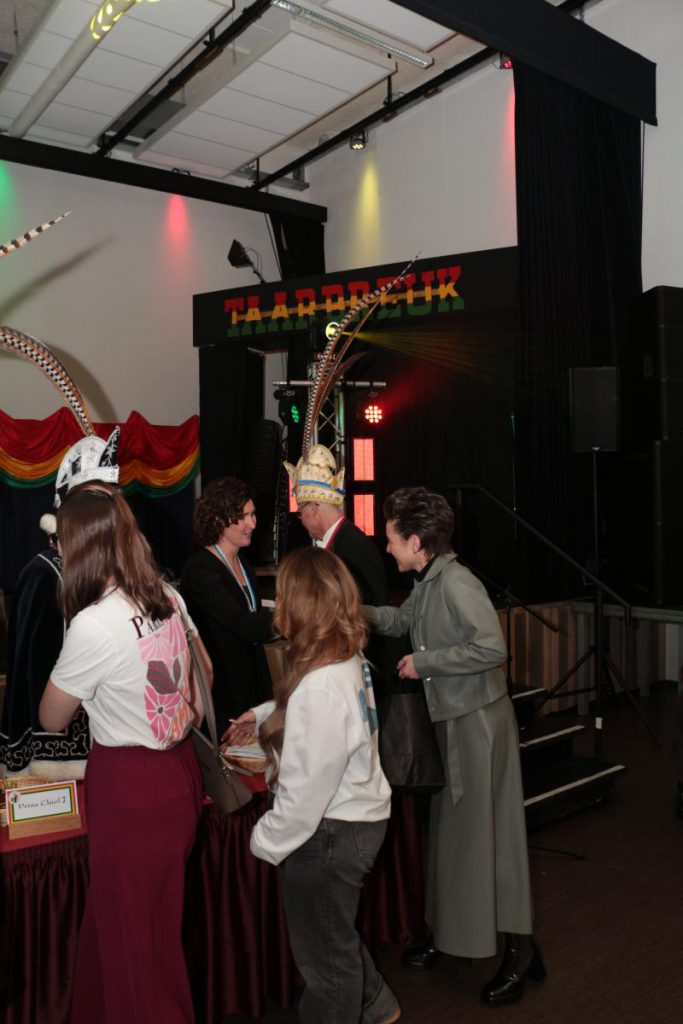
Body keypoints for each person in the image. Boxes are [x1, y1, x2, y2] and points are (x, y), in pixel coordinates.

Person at [363, 486, 544, 1008]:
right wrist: (348, 608)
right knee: (454, 841)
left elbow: (492, 648)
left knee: (491, 839)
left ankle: (520, 950)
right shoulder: (430, 579)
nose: (387, 548)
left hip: (480, 727)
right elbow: (399, 622)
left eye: (392, 538)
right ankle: (452, 936)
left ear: (416, 542)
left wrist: (426, 663)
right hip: (455, 722)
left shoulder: (458, 583)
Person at [39, 483, 208, 1024]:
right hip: (177, 773)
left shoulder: (93, 623)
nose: (57, 549)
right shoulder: (166, 596)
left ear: (84, 546)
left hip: (131, 788)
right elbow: (200, 689)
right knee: (135, 924)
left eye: (62, 540)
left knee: (139, 946)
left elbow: (51, 718)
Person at [226, 546, 400, 1024]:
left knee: (326, 964)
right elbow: (320, 712)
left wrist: (264, 839)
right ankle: (379, 1007)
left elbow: (304, 795)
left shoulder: (323, 682)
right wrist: (263, 713)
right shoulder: (345, 658)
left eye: (282, 595)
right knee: (334, 933)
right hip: (354, 821)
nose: (276, 604)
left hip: (330, 834)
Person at [1, 431, 119, 779]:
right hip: (59, 762)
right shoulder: (43, 574)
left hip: (114, 745)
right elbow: (30, 670)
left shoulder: (120, 574)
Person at [181, 476, 274, 733]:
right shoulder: (200, 570)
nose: (252, 523)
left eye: (253, 514)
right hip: (222, 692)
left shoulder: (244, 564)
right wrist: (296, 619)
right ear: (218, 520)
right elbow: (242, 624)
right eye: (243, 517)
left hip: (253, 685)